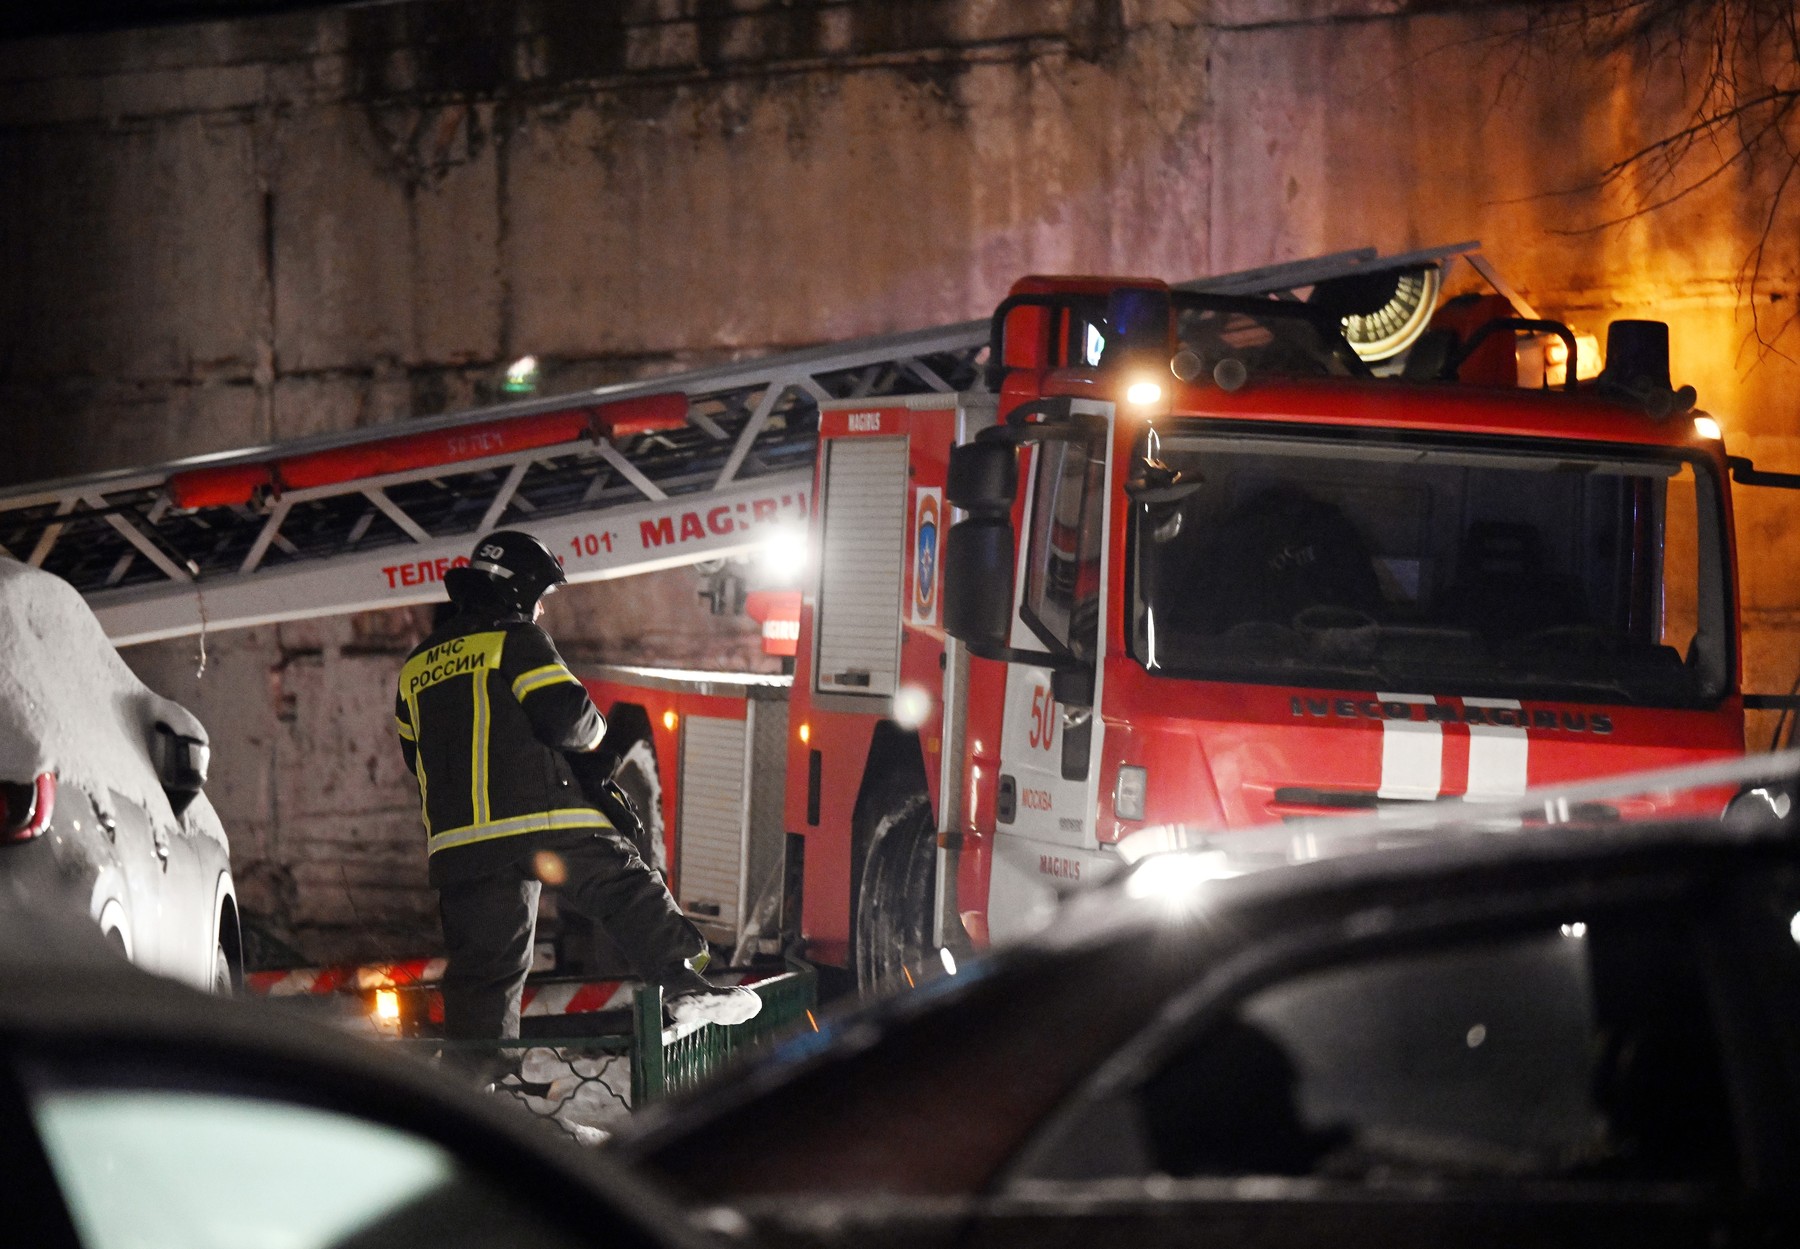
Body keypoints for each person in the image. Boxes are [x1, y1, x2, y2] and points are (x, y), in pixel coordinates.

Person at [394, 529, 758, 1071]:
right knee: (625, 886)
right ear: (519, 591)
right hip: (542, 819)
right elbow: (576, 724)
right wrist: (594, 743)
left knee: (485, 974)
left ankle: (477, 1091)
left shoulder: (415, 668)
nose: (541, 608)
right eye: (539, 595)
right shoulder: (514, 640)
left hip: (459, 845)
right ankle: (687, 987)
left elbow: (412, 754)